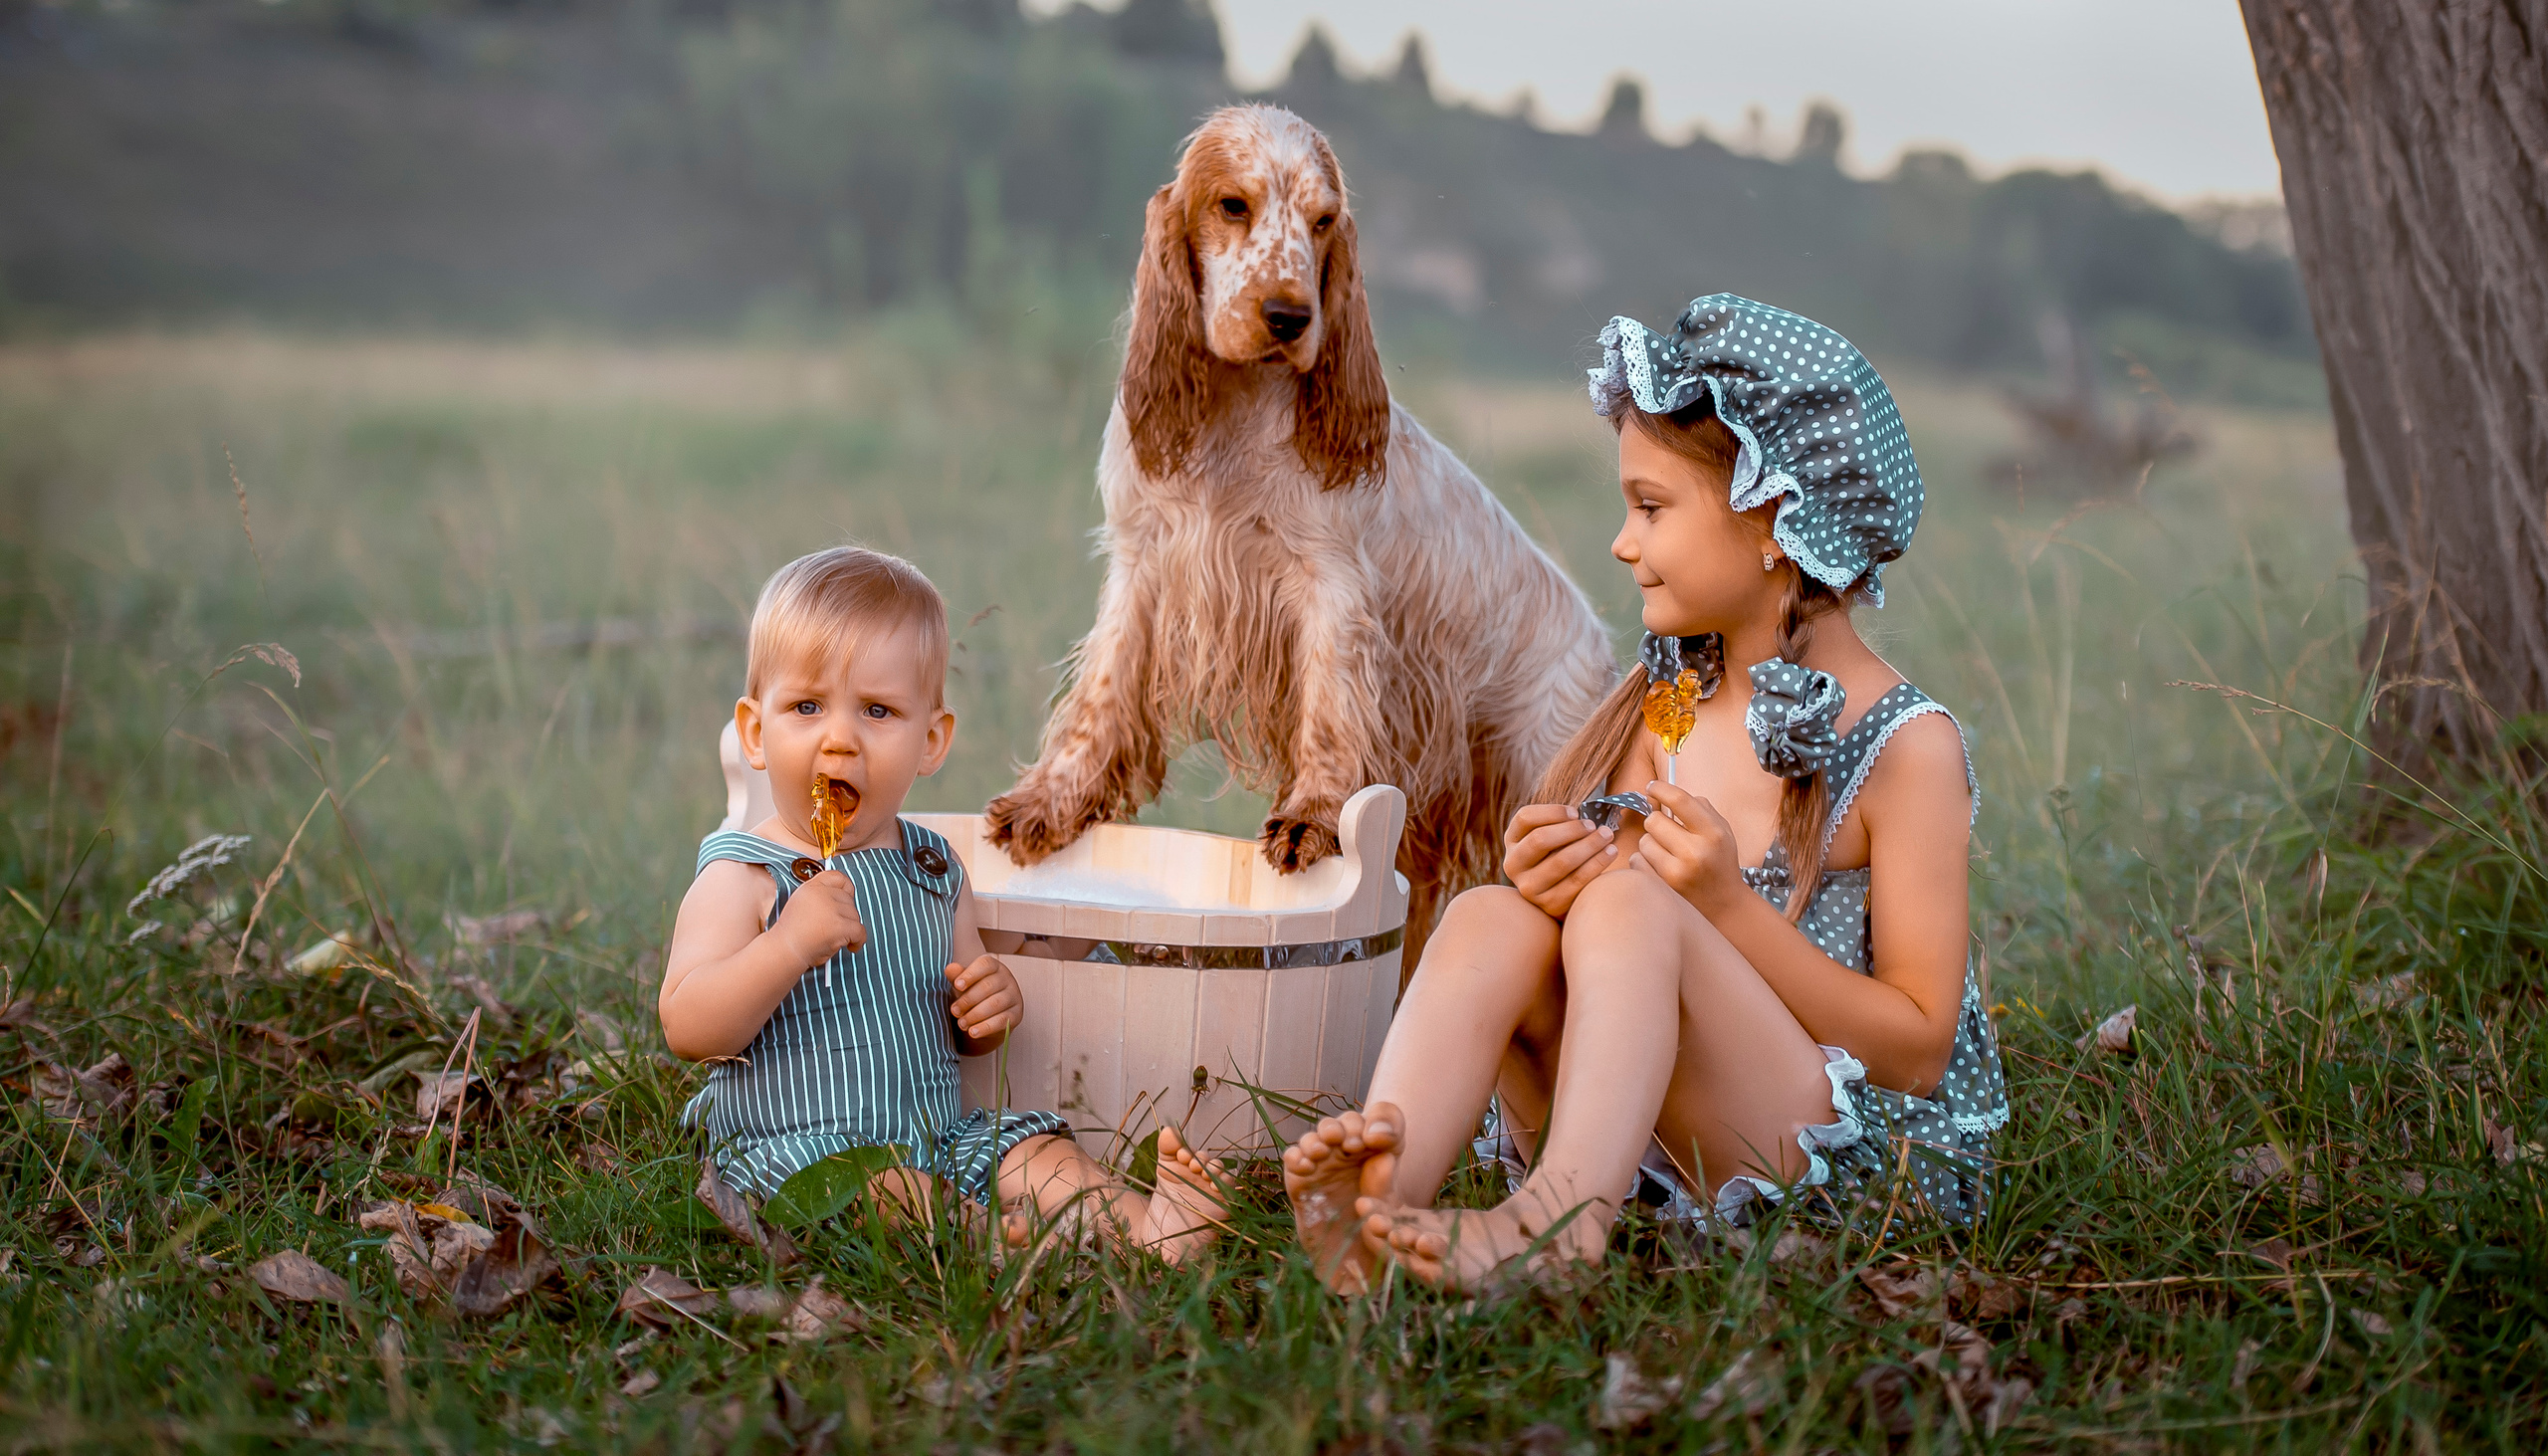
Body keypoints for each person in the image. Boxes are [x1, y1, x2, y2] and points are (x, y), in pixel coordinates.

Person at [1283, 296, 2008, 1292]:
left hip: (1837, 1167)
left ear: (1770, 514)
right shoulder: (1665, 698)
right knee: (1491, 913)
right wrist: (1549, 882)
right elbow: (1607, 944)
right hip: (1660, 1139)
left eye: (1651, 506)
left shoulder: (1903, 747)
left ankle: (1559, 1220)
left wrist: (1723, 908)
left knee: (1633, 900)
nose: (1623, 542)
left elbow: (1919, 1053)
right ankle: (1380, 1197)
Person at [659, 545, 1228, 1261]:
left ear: (930, 741)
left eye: (878, 710)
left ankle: (1147, 1227)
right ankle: (987, 1240)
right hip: (799, 1152)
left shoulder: (930, 868)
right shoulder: (746, 876)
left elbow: (963, 1023)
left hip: (934, 1133)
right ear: (755, 733)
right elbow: (689, 1026)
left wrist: (989, 1006)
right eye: (806, 707)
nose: (840, 738)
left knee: (1035, 1151)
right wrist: (787, 945)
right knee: (891, 1188)